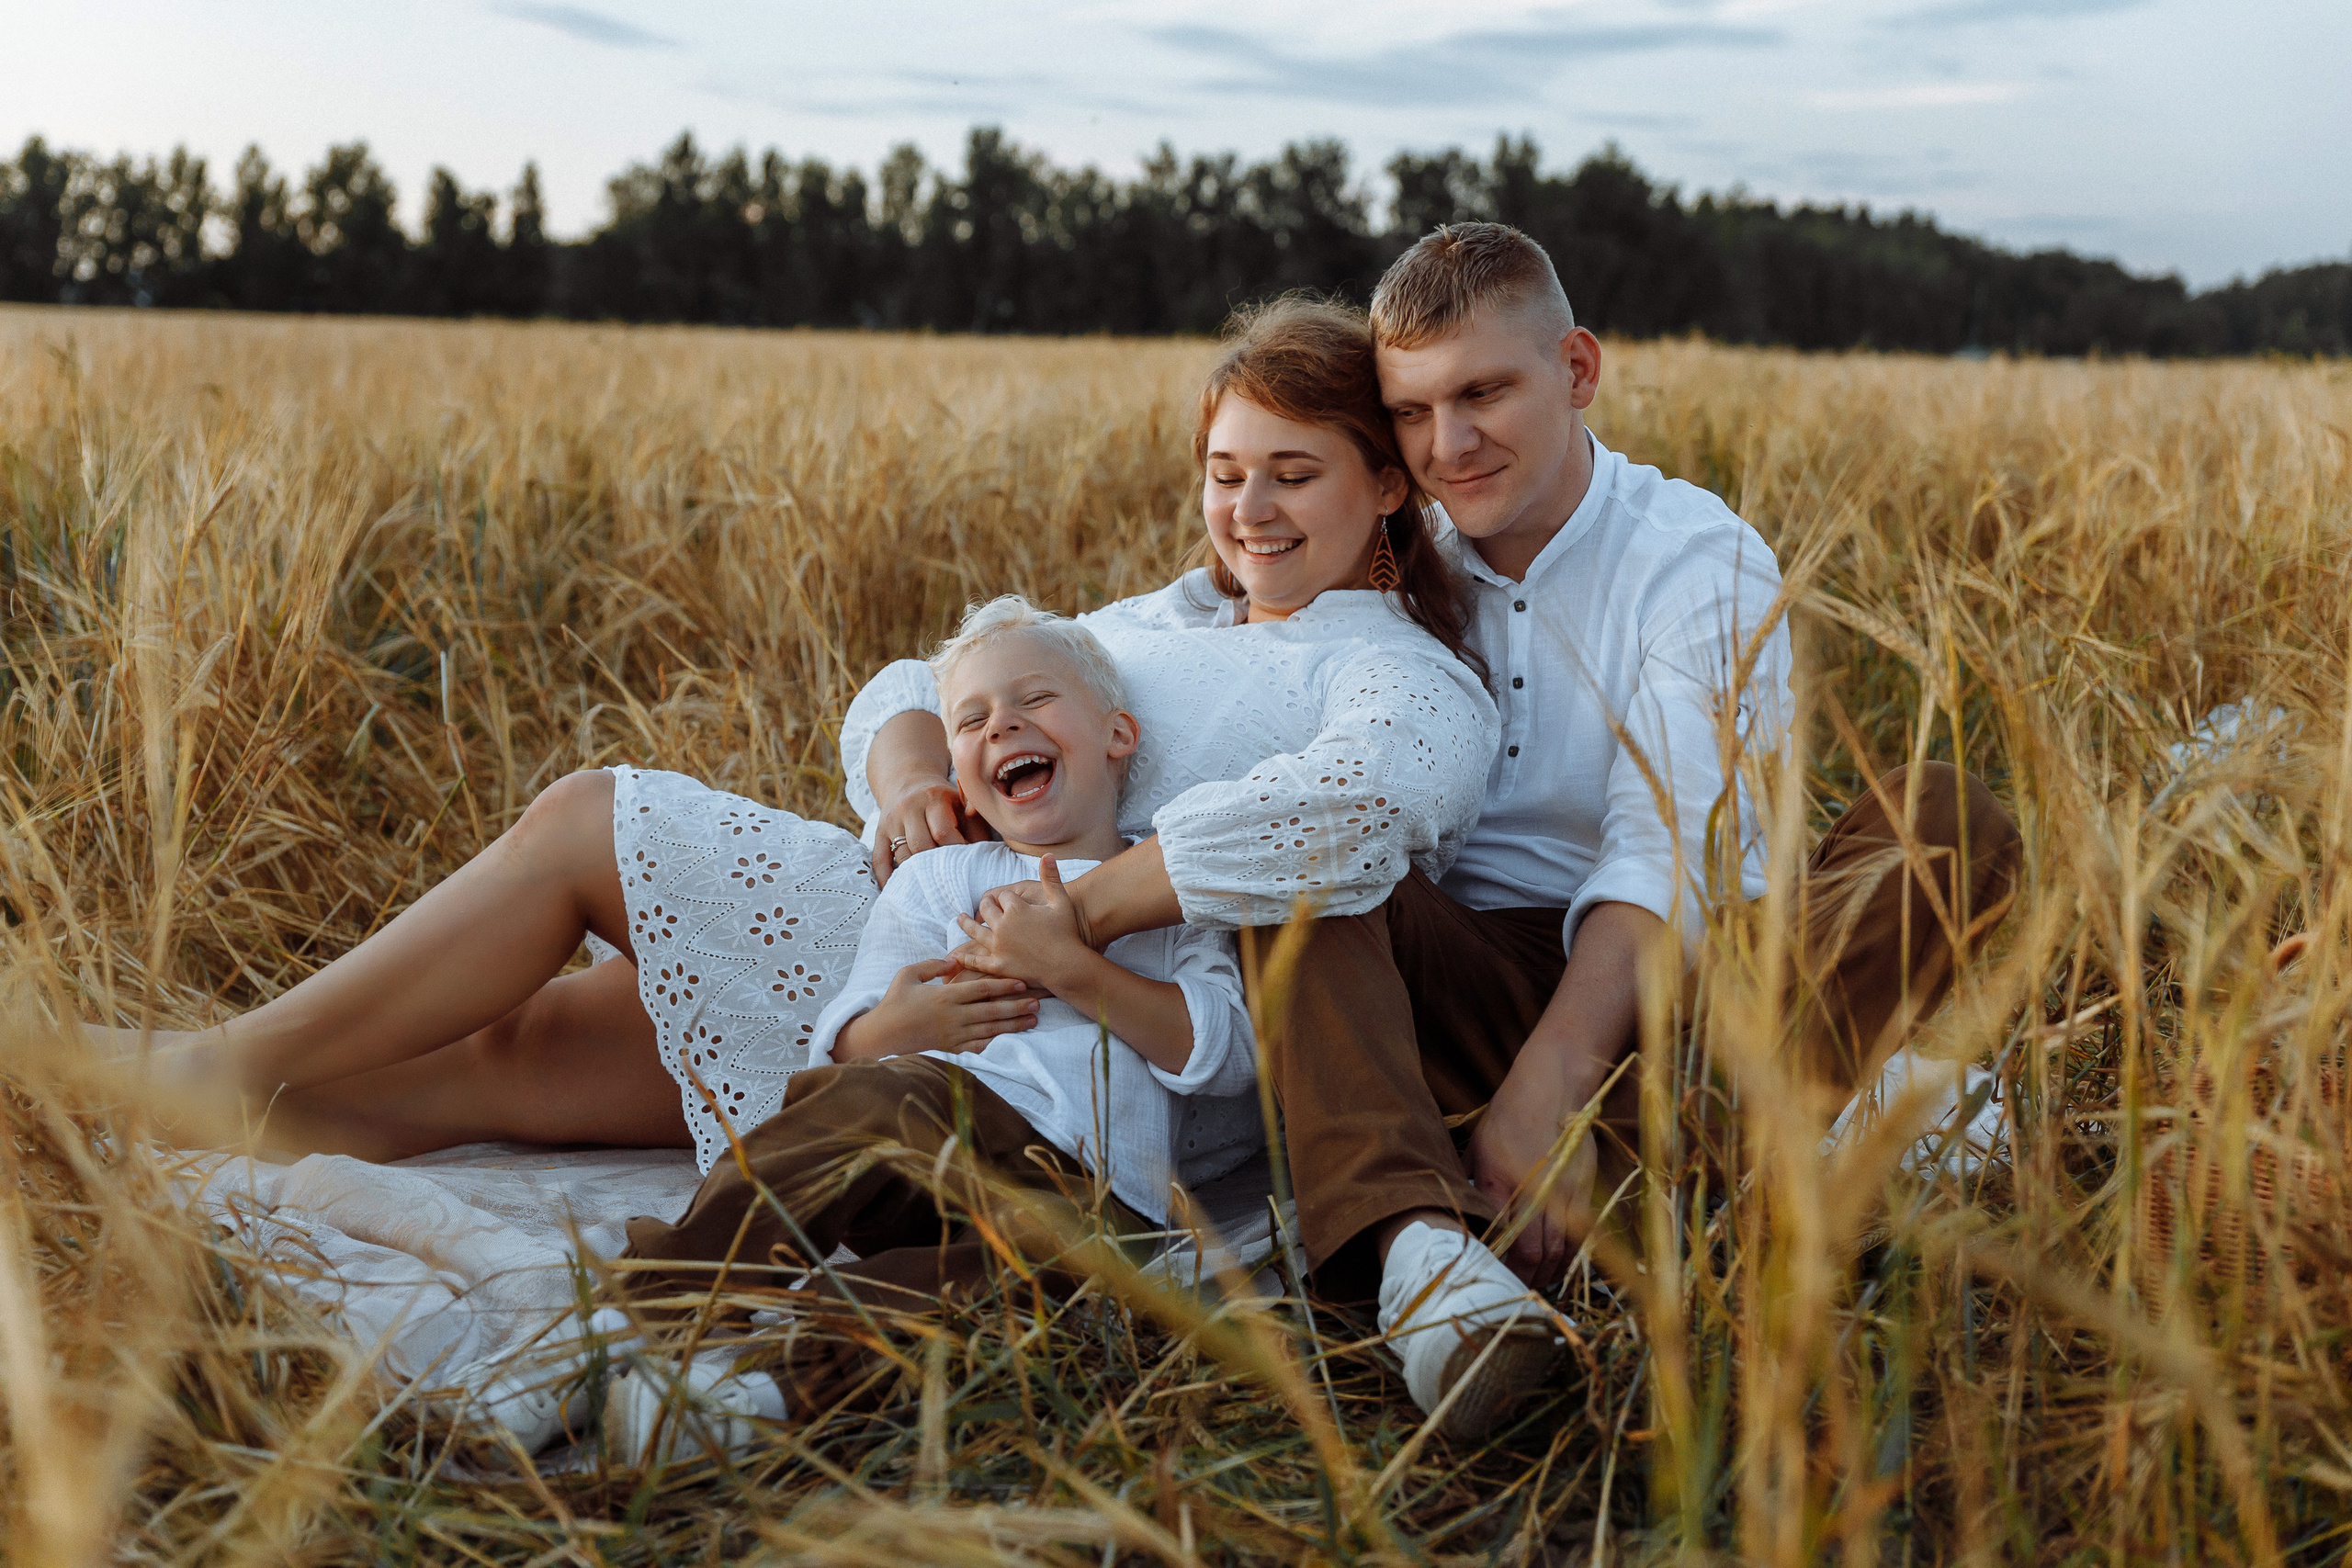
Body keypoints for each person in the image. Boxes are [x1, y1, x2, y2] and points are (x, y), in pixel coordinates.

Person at [106, 298, 1544, 1435]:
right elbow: (922, 676)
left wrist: (1073, 918)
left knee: (523, 1059)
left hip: (1054, 1027)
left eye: (1296, 475)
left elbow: (1350, 817)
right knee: (564, 893)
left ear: (1385, 491)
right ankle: (174, 1083)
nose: (1253, 512)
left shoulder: (1398, 671)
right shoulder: (1167, 612)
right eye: (1227, 474)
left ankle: (163, 1087)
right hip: (891, 923)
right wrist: (918, 773)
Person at [874, 226, 2026, 1441]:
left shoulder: (1690, 556)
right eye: (1413, 410)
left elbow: (1666, 847)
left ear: (1577, 369)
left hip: (1691, 984)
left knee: (1947, 819)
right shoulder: (1359, 555)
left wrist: (1549, 1093)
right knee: (1306, 868)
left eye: (1484, 392)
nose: (1448, 443)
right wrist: (920, 769)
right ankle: (1439, 1253)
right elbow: (998, 662)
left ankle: (1526, 1182)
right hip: (1435, 986)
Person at [458, 595, 1265, 1464]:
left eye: (1034, 702)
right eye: (973, 719)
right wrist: (895, 1025)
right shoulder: (943, 879)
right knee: (849, 1116)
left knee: (1025, 1289)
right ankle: (632, 1315)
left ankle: (750, 1396)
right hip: (931, 1116)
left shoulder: (1170, 885)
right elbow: (839, 1047)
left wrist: (1078, 969)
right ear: (957, 768)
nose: (1004, 728)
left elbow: (1221, 1049)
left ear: (1117, 735)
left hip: (1096, 1189)